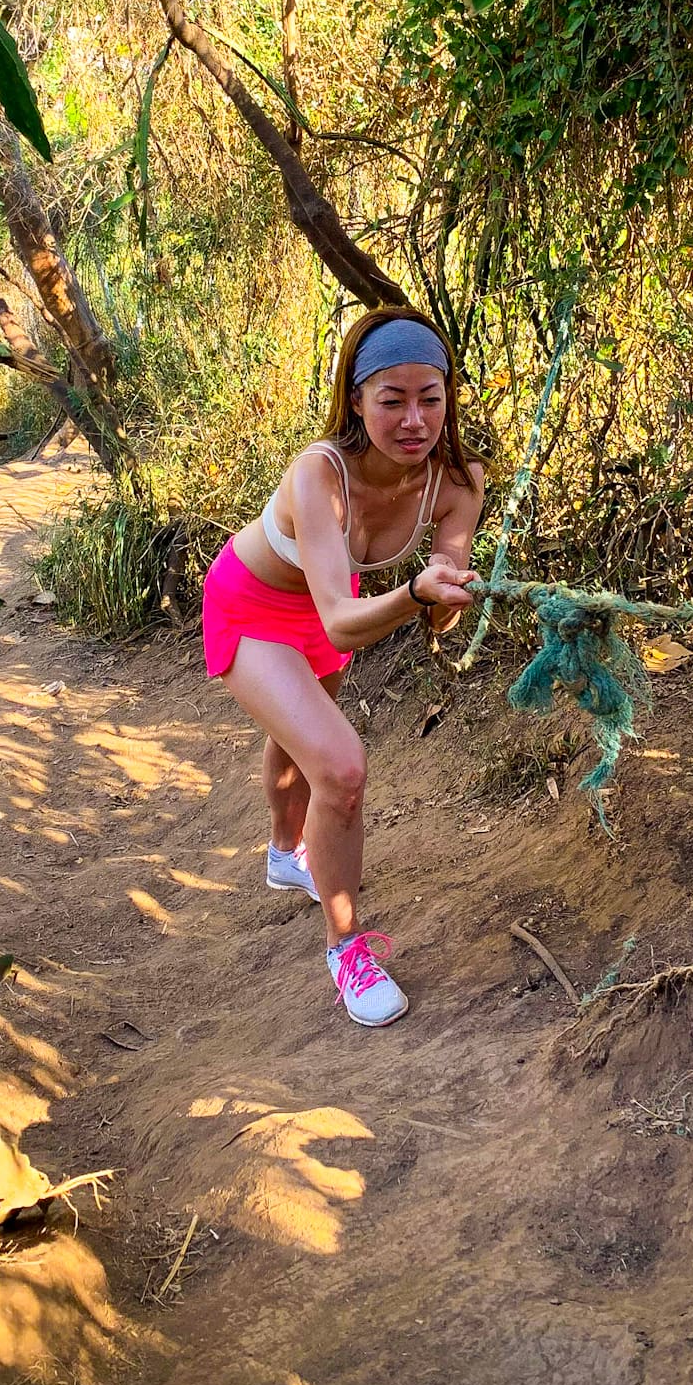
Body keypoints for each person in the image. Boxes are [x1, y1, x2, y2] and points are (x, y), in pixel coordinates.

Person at [202, 309, 486, 1026]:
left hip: (337, 606)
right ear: (356, 400)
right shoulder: (318, 472)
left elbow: (441, 608)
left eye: (431, 397)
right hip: (252, 603)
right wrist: (417, 592)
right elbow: (339, 621)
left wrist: (446, 593)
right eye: (393, 400)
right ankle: (347, 949)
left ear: (450, 397)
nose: (415, 419)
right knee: (341, 767)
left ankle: (282, 852)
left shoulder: (457, 484)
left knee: (300, 751)